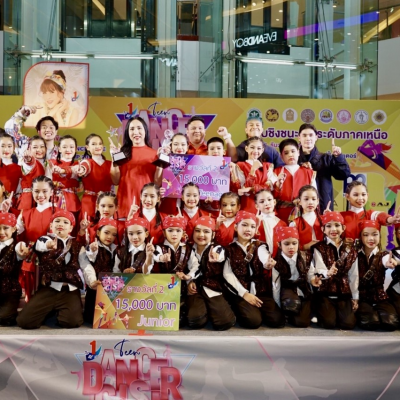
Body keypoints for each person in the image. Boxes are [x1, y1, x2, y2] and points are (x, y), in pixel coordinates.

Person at [17, 210, 84, 329]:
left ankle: (57, 312)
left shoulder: (77, 245)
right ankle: (50, 311)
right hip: (48, 288)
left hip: (69, 290)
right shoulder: (44, 239)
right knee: (25, 322)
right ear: (51, 225)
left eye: (65, 222)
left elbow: (86, 265)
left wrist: (92, 281)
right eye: (57, 221)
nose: (61, 224)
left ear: (71, 228)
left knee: (72, 322)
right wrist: (48, 245)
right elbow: (40, 244)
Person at [223, 210, 285, 329]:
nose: (248, 229)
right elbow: (228, 274)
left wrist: (267, 263)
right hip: (240, 292)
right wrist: (244, 294)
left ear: (256, 230)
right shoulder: (229, 249)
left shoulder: (259, 245)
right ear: (236, 227)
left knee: (278, 321)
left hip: (260, 290)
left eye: (252, 226)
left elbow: (264, 256)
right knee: (253, 322)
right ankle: (237, 308)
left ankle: (254, 310)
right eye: (244, 225)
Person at [310, 211, 359, 330]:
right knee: (329, 323)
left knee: (348, 324)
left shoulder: (351, 250)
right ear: (323, 229)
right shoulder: (318, 248)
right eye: (328, 226)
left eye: (337, 225)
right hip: (324, 292)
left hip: (344, 293)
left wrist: (355, 297)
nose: (333, 229)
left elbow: (354, 275)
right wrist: (328, 273)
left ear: (343, 228)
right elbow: (319, 268)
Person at [186, 216, 236, 330]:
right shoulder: (187, 249)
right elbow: (184, 270)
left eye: (206, 231)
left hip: (212, 288)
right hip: (195, 289)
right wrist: (189, 282)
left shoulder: (216, 248)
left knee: (224, 322)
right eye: (197, 231)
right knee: (195, 321)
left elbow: (220, 253)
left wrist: (216, 257)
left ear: (213, 235)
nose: (201, 235)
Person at [16, 176, 59, 301]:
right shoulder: (25, 214)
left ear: (51, 192)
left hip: (51, 259)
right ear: (31, 191)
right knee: (32, 297)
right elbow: (17, 236)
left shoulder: (59, 213)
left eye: (45, 191)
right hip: (30, 258)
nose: (40, 195)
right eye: (36, 191)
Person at [110, 116, 162, 219]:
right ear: (127, 133)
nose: (136, 132)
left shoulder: (155, 154)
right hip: (125, 205)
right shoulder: (121, 153)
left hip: (147, 206)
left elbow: (157, 183)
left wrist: (161, 162)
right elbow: (115, 181)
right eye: (132, 129)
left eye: (139, 128)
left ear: (145, 130)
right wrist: (114, 158)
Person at [356, 220, 399, 331]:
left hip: (380, 297)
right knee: (370, 322)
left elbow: (386, 260)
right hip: (362, 297)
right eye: (366, 235)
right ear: (360, 237)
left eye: (374, 234)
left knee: (391, 323)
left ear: (380, 236)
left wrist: (391, 263)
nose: (371, 239)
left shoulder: (383, 255)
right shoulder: (355, 255)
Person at [298, 123, 350, 211]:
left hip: (323, 207)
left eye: (311, 135)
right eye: (304, 135)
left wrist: (339, 157)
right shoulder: (294, 160)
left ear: (316, 137)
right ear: (299, 138)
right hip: (299, 207)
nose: (308, 138)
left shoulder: (326, 158)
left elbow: (344, 174)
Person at [272, 227, 315, 328]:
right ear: (279, 245)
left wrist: (313, 280)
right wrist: (278, 307)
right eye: (286, 244)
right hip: (287, 292)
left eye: (294, 243)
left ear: (298, 243)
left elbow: (310, 275)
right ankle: (288, 313)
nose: (291, 247)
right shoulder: (276, 262)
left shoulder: (306, 257)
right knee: (290, 306)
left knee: (302, 322)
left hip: (303, 290)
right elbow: (276, 286)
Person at [79, 218, 120, 324]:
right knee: (92, 318)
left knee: (111, 317)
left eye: (113, 235)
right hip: (96, 286)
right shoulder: (93, 247)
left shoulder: (117, 249)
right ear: (98, 232)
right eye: (106, 233)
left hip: (112, 287)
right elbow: (89, 261)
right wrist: (92, 281)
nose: (110, 237)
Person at [273, 139, 316, 224]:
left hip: (304, 213)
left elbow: (314, 195)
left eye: (293, 151)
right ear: (281, 156)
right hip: (281, 214)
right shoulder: (275, 172)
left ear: (298, 152)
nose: (290, 155)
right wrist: (278, 185)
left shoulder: (309, 173)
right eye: (286, 153)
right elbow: (271, 196)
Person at [230, 136, 276, 213]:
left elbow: (270, 187)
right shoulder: (240, 166)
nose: (255, 151)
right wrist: (253, 170)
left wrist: (251, 189)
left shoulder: (267, 166)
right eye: (252, 147)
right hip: (248, 205)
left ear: (262, 150)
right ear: (246, 148)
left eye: (258, 148)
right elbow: (242, 190)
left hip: (266, 205)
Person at [77, 133, 113, 221]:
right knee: (87, 226)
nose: (98, 146)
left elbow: (123, 164)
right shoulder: (87, 162)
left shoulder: (110, 163)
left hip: (107, 202)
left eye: (100, 143)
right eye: (93, 144)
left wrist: (117, 153)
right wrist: (82, 170)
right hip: (89, 202)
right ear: (87, 147)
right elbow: (84, 167)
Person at [0, 213, 24, 326]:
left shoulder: (17, 246)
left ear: (13, 229)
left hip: (10, 291)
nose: (1, 232)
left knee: (5, 318)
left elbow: (21, 250)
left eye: (5, 228)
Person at [290, 185, 324, 250]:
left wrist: (329, 218)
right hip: (303, 255)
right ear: (299, 202)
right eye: (306, 199)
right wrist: (305, 246)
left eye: (313, 199)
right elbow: (291, 246)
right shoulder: (294, 224)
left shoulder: (323, 220)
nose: (310, 202)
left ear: (317, 201)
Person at [254, 189, 286, 257]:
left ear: (274, 202)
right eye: (262, 201)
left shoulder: (282, 224)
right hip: (259, 259)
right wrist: (256, 225)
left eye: (269, 200)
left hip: (278, 259)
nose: (267, 203)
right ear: (257, 206)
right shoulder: (253, 222)